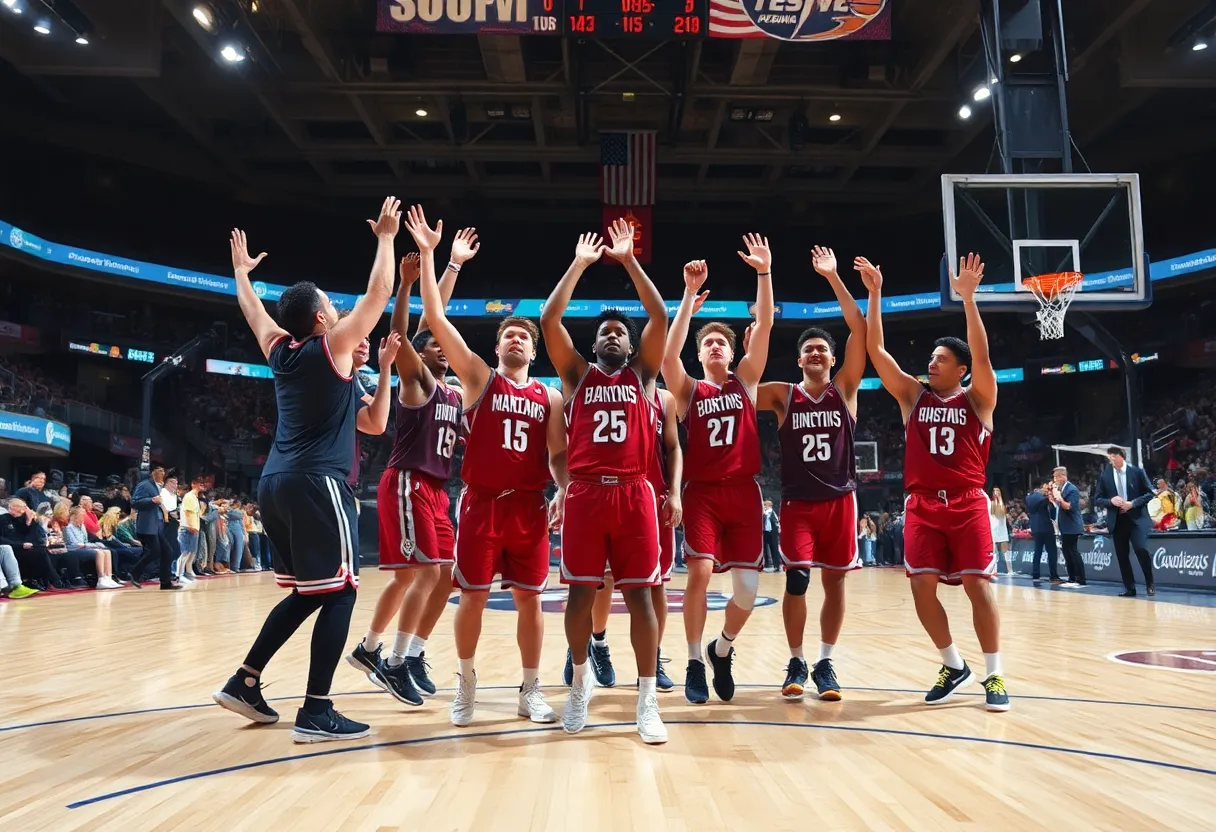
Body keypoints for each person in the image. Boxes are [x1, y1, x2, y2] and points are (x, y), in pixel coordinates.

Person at [212, 197, 401, 743]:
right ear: (320, 319)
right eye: (330, 305)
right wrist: (386, 239)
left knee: (310, 592)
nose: (338, 309)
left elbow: (373, 423)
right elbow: (378, 294)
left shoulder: (280, 350)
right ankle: (316, 710)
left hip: (275, 483)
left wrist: (242, 275)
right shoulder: (330, 345)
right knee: (341, 592)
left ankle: (245, 681)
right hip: (319, 482)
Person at [406, 206, 571, 726]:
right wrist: (439, 258)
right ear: (496, 347)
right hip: (481, 505)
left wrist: (563, 489)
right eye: (509, 336)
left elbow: (558, 455)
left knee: (531, 602)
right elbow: (435, 319)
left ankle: (530, 689)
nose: (517, 340)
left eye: (525, 337)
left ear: (534, 351)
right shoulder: (478, 378)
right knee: (472, 599)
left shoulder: (549, 397)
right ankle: (466, 684)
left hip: (528, 508)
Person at [861, 252, 1009, 712]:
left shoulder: (979, 399)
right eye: (931, 358)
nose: (932, 363)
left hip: (967, 502)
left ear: (961, 369)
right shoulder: (913, 396)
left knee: (977, 585)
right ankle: (953, 664)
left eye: (941, 359)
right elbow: (876, 352)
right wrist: (875, 293)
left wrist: (968, 300)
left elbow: (982, 355)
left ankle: (994, 674)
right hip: (922, 504)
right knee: (921, 587)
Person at [540, 220, 669, 744]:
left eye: (620, 331)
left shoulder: (644, 375)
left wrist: (629, 260)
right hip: (586, 494)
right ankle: (579, 683)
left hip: (635, 493)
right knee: (578, 596)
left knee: (641, 598)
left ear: (632, 345)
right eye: (604, 332)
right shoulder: (576, 377)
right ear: (593, 345)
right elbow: (549, 318)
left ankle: (646, 699)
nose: (612, 334)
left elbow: (659, 316)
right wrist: (580, 264)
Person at [346, 225, 468, 709]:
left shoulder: (454, 393)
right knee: (425, 573)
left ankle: (382, 649)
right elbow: (407, 331)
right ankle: (395, 662)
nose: (443, 348)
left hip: (437, 490)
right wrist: (407, 284)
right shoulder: (417, 381)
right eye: (434, 345)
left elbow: (435, 318)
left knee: (441, 574)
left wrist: (452, 265)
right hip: (408, 482)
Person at [661, 237, 774, 705]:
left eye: (721, 343)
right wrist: (688, 297)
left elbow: (764, 326)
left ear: (731, 354)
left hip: (744, 493)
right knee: (701, 573)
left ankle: (721, 648)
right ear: (701, 353)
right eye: (707, 342)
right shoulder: (690, 391)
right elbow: (668, 359)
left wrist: (764, 273)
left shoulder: (746, 383)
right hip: (703, 493)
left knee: (746, 593)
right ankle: (693, 661)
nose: (713, 346)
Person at [754, 245, 866, 702]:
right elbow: (740, 387)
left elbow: (859, 328)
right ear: (799, 360)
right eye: (808, 350)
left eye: (822, 349)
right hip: (798, 502)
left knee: (834, 582)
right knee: (797, 579)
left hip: (840, 500)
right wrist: (753, 340)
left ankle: (825, 661)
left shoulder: (846, 388)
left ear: (833, 360)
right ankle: (796, 659)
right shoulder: (783, 395)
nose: (816, 352)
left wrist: (834, 277)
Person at [1093, 446, 1156, 597]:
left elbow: (1150, 493)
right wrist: (1111, 501)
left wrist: (1132, 504)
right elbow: (1097, 499)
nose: (1111, 459)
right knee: (1122, 555)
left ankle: (1150, 583)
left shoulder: (1137, 472)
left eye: (1114, 456)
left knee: (1141, 549)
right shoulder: (1105, 475)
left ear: (1122, 456)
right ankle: (1130, 588)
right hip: (1117, 520)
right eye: (1109, 457)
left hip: (1136, 519)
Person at [128, 466, 178, 590]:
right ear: (153, 473)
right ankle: (134, 572)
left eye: (163, 471)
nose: (162, 473)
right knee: (155, 551)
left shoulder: (159, 487)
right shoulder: (145, 485)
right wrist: (151, 500)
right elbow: (134, 502)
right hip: (147, 525)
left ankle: (165, 582)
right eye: (159, 471)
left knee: (167, 551)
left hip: (156, 525)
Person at [1050, 467, 1085, 587]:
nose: (1055, 480)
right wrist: (1054, 500)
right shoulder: (1062, 488)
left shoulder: (1072, 489)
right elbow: (1059, 505)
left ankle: (1080, 578)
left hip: (1072, 525)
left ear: (1062, 476)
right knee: (1066, 552)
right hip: (1064, 526)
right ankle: (1072, 577)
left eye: (1056, 477)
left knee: (1073, 551)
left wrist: (1059, 498)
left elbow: (1068, 506)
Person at [1025, 482, 1061, 584]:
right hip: (1046, 527)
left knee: (1037, 552)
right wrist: (1050, 500)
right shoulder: (1044, 498)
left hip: (1035, 528)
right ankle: (1053, 575)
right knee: (1052, 552)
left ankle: (1035, 574)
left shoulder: (1029, 497)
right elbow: (1052, 513)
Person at [989, 488, 1011, 573]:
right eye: (995, 491)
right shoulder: (991, 504)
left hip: (1002, 529)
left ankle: (1010, 570)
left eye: (998, 491)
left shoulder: (1002, 504)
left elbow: (1003, 512)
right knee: (994, 552)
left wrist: (1000, 500)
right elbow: (996, 513)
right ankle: (994, 570)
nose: (997, 493)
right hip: (993, 529)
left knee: (1006, 551)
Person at [761, 500, 781, 572]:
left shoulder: (772, 512)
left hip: (772, 533)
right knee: (764, 550)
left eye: (765, 505)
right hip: (765, 532)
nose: (764, 506)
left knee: (774, 549)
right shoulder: (763, 513)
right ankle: (765, 565)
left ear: (769, 506)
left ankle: (777, 566)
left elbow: (777, 522)